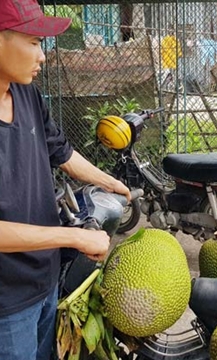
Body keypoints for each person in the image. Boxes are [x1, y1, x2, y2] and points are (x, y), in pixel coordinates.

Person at [0, 1, 131, 359]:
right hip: (6, 301)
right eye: (32, 42)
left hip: (45, 279)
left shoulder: (26, 93)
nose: (42, 56)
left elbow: (62, 152)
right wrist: (73, 235)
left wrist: (112, 183)